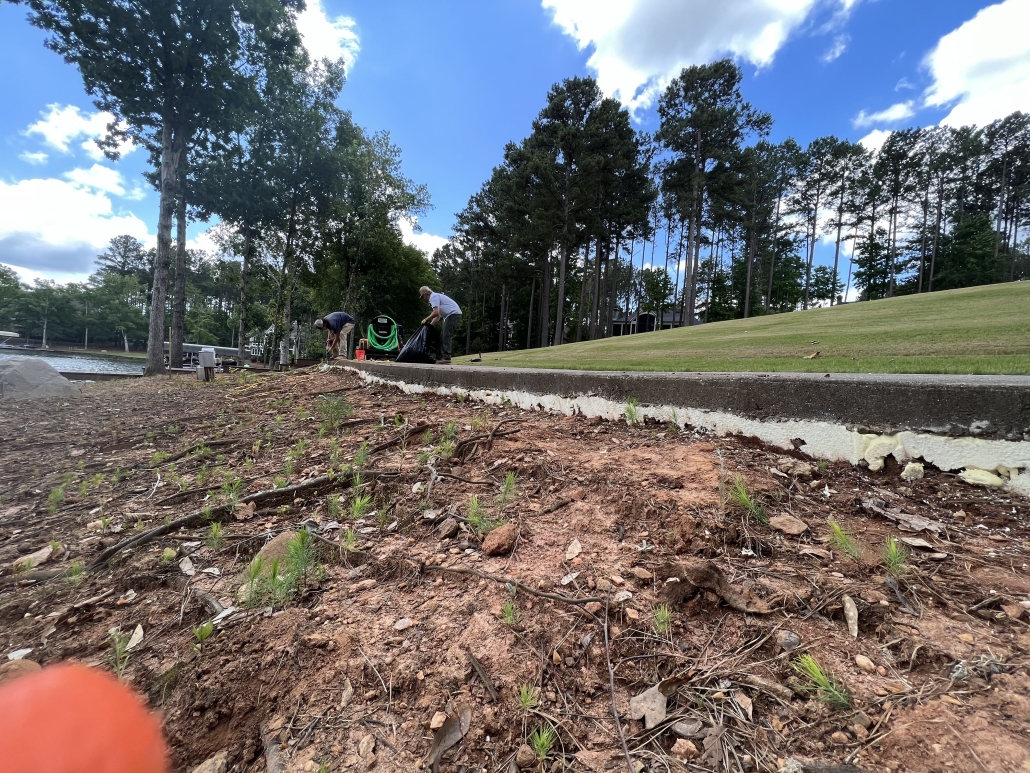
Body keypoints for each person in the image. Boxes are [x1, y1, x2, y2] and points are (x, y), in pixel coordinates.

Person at [419, 286, 462, 365]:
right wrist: (430, 326)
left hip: (453, 314)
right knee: (443, 336)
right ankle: (442, 357)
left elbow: (436, 313)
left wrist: (426, 319)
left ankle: (446, 358)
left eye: (422, 296)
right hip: (451, 315)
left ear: (426, 293)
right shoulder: (435, 297)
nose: (423, 298)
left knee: (446, 336)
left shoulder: (433, 297)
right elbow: (437, 317)